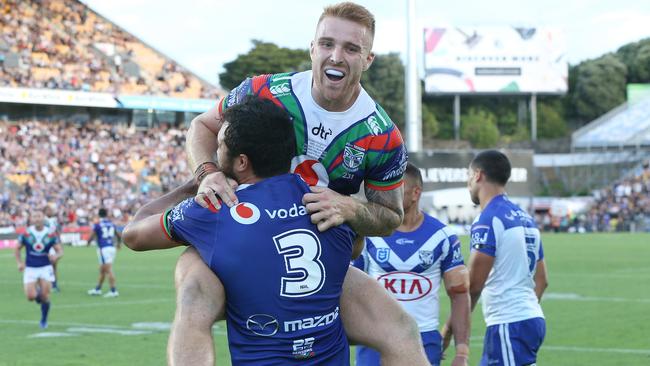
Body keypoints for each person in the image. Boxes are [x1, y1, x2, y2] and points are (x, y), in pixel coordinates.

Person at [169, 2, 428, 365]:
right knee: (193, 297)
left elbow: (390, 217)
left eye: (351, 49)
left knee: (401, 329)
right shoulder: (265, 91)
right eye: (327, 44)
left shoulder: (382, 136)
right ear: (312, 47)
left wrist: (352, 208)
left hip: (313, 262)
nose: (336, 56)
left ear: (368, 59)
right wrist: (208, 172)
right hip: (237, 244)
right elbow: (202, 126)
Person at [123, 97, 362, 365]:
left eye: (222, 145)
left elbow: (133, 235)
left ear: (242, 163)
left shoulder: (217, 208)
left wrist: (195, 184)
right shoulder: (330, 202)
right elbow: (354, 248)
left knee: (192, 261)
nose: (216, 149)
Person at [353, 163, 471, 366]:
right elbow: (350, 286)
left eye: (395, 188)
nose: (387, 195)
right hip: (376, 340)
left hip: (423, 340)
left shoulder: (443, 236)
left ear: (415, 193)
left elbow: (459, 294)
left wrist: (461, 352)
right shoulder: (369, 233)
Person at [464, 150, 548, 366]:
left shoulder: (488, 219)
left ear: (478, 175)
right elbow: (542, 280)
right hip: (529, 318)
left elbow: (473, 286)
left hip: (509, 324)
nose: (468, 183)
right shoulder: (526, 219)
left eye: (468, 175)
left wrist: (450, 332)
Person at [14, 209, 63, 329]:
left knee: (45, 296)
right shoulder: (26, 233)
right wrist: (19, 263)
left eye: (39, 216)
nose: (37, 219)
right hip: (30, 268)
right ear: (31, 219)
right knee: (30, 296)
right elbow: (17, 248)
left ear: (43, 218)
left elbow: (60, 250)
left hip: (45, 267)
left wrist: (56, 256)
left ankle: (44, 320)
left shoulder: (50, 234)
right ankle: (41, 299)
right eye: (35, 216)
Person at [87, 208, 122, 297]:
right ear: (106, 214)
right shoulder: (111, 224)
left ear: (99, 214)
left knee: (108, 270)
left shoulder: (98, 224)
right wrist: (118, 243)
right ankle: (97, 289)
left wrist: (88, 242)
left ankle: (113, 291)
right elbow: (118, 235)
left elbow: (92, 235)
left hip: (103, 248)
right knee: (102, 270)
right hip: (111, 247)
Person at [45, 204, 62, 292]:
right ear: (45, 211)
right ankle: (47, 284)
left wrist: (59, 242)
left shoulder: (54, 220)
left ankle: (54, 284)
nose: (51, 212)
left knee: (54, 265)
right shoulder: (43, 220)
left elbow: (57, 231)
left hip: (54, 244)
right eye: (49, 210)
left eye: (52, 210)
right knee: (47, 265)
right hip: (46, 244)